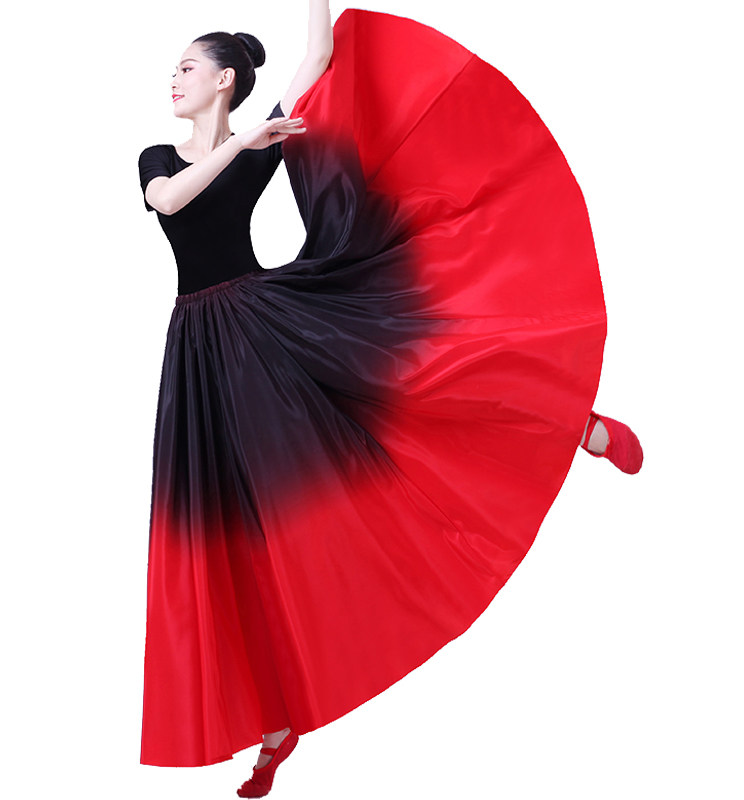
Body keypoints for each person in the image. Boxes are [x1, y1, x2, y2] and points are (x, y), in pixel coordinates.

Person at [137, 3, 643, 797]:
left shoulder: (256, 142)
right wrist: (245, 142)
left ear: (224, 80)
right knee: (236, 534)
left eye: (187, 68)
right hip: (200, 355)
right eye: (174, 70)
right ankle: (275, 720)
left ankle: (566, 422)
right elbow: (169, 200)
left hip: (268, 324)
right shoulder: (161, 156)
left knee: (410, 385)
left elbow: (317, 56)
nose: (174, 79)